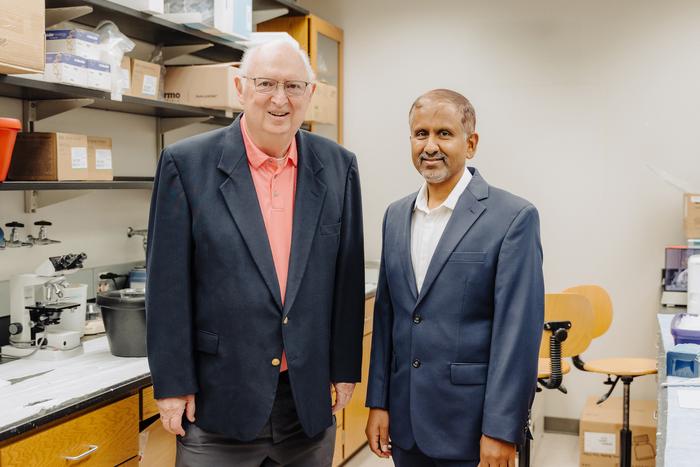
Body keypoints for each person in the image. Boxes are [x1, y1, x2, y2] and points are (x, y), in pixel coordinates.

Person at [146, 39, 365, 467]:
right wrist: (172, 384)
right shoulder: (186, 164)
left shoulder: (339, 167)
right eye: (265, 83)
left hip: (306, 401)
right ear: (239, 87)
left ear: (311, 95)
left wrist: (344, 370)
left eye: (294, 86)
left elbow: (347, 279)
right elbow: (166, 286)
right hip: (218, 399)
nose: (280, 99)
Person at [365, 89, 544, 467]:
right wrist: (378, 402)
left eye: (444, 133)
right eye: (420, 134)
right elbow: (388, 318)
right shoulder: (395, 217)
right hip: (407, 423)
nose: (430, 146)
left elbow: (517, 335)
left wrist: (501, 428)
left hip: (473, 428)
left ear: (471, 143)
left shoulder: (512, 217)